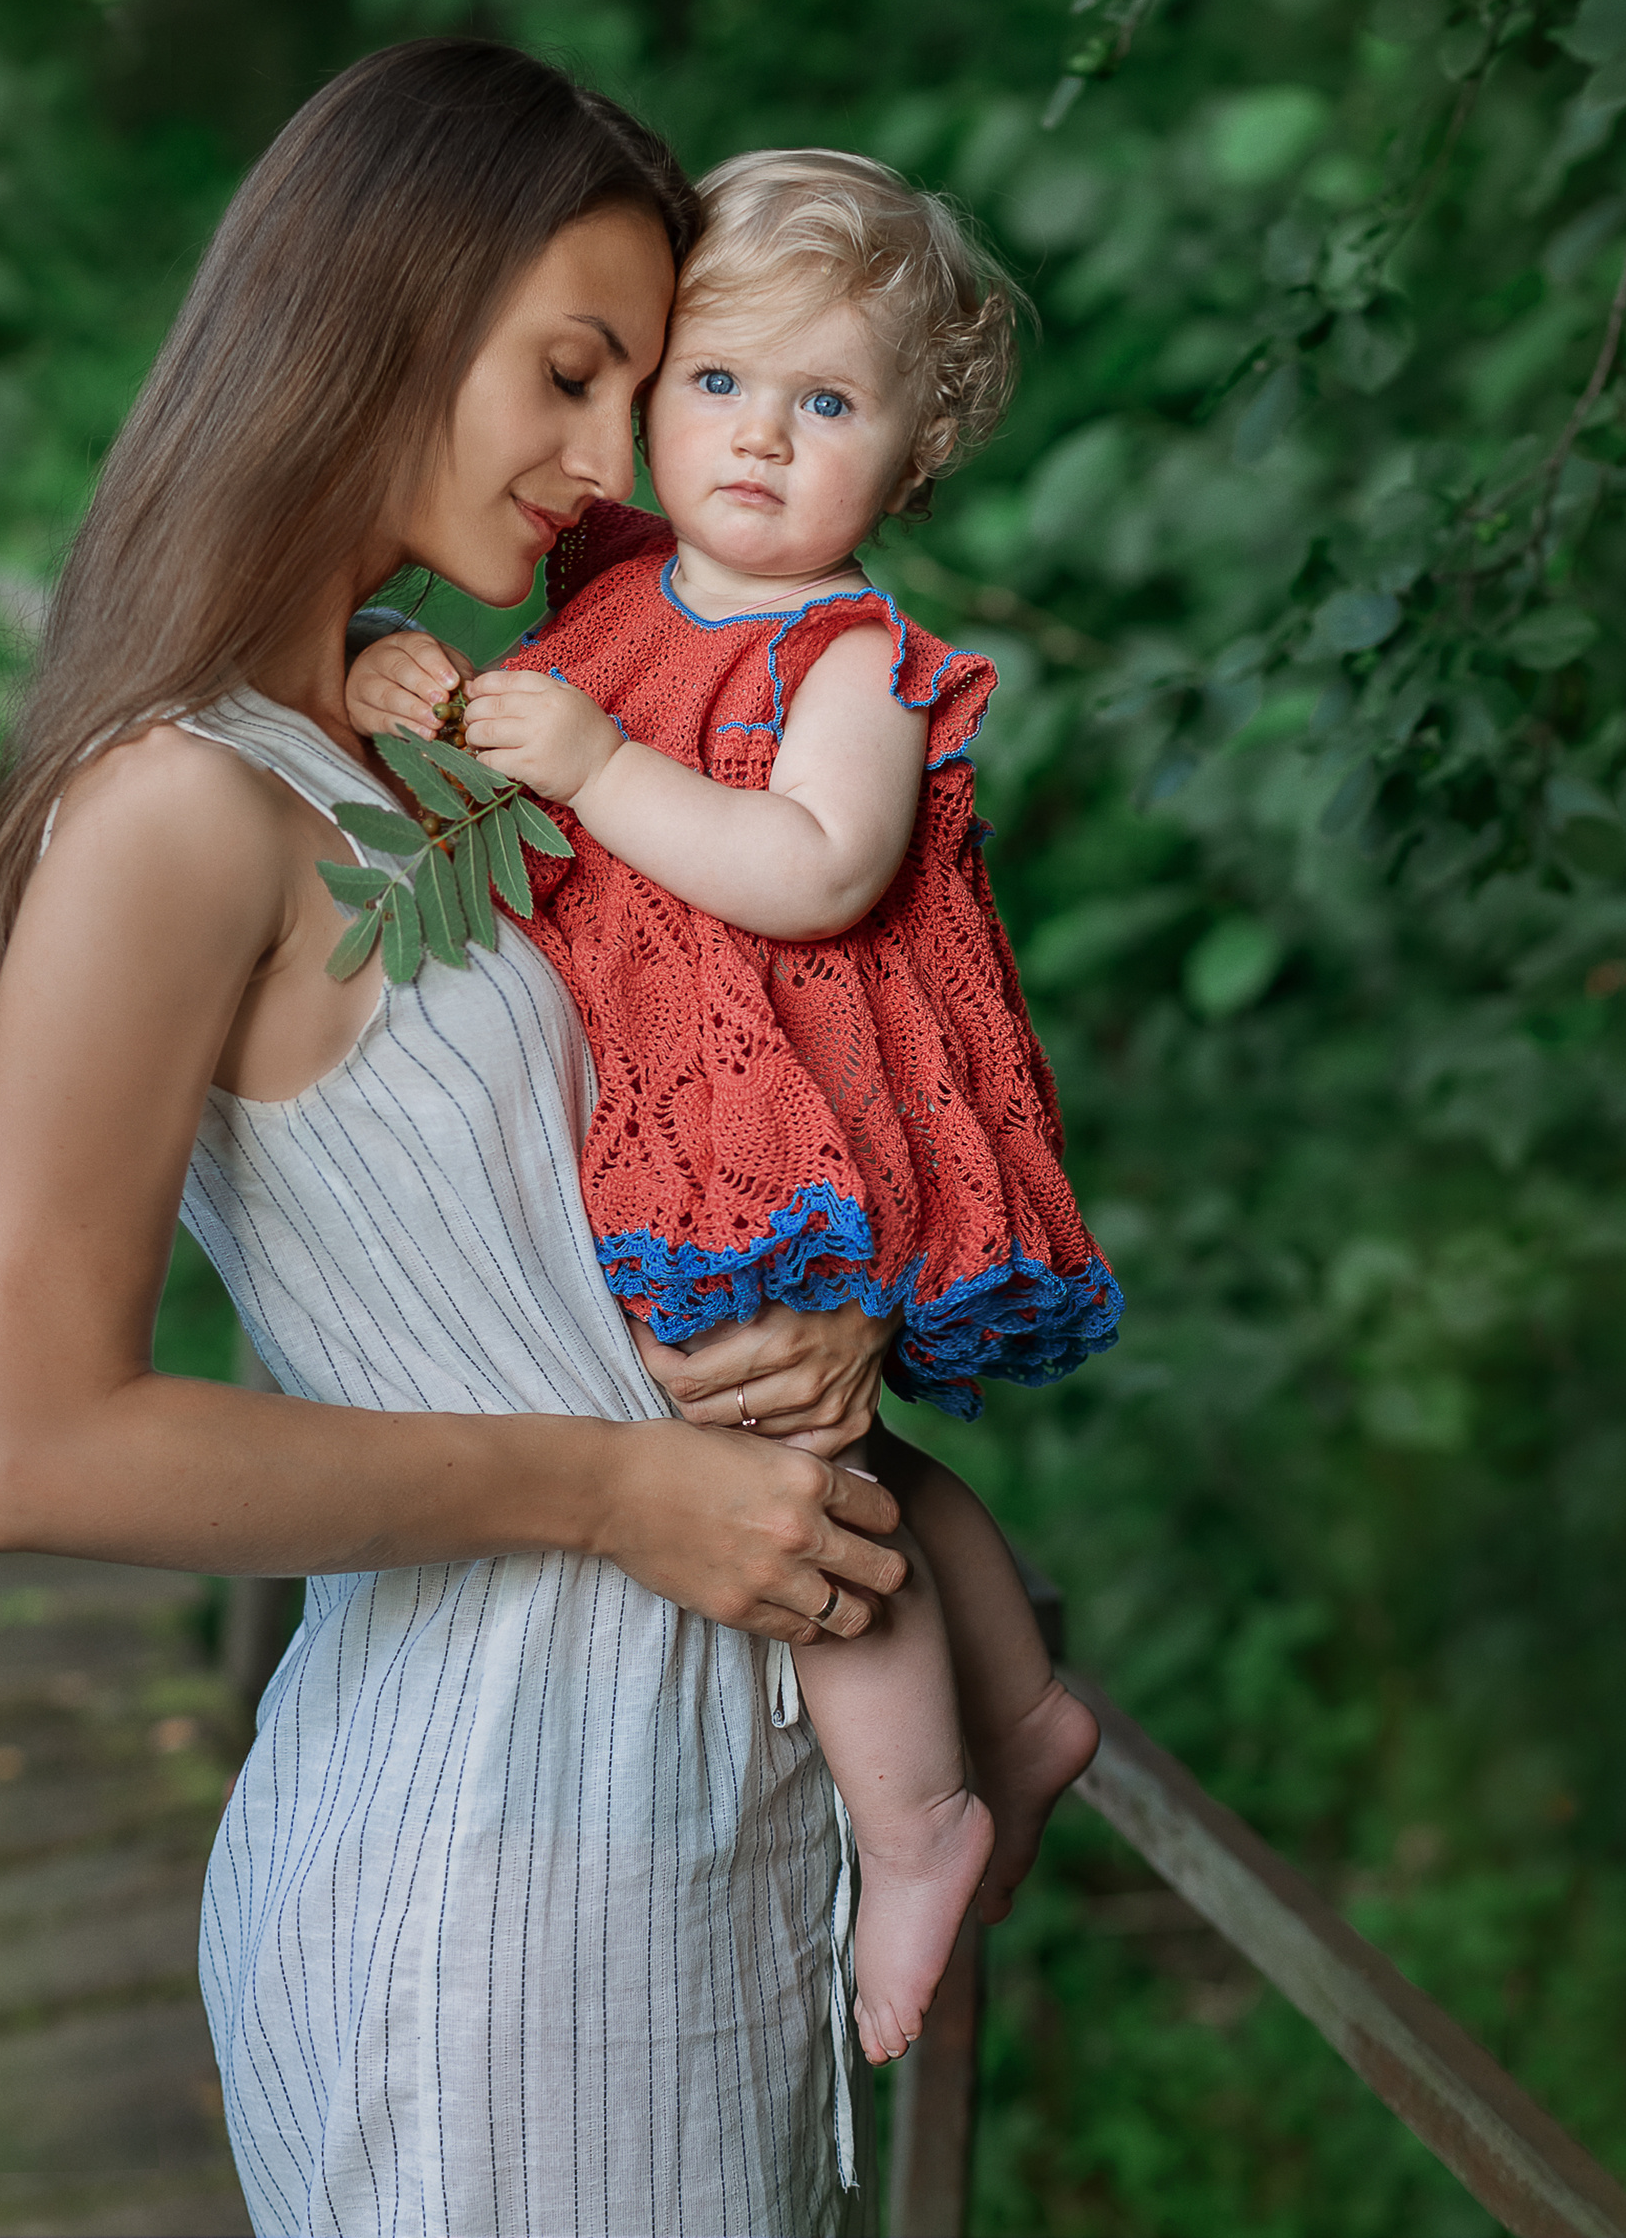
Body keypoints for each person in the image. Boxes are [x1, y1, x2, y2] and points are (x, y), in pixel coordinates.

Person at [0, 42, 924, 2238]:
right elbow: (22, 1444)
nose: (608, 464)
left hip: (688, 1807)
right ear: (375, 306)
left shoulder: (389, 749)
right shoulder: (176, 798)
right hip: (497, 1874)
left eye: (633, 387)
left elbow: (551, 1213)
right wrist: (614, 1478)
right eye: (570, 372)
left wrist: (786, 1314)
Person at [344, 149, 1117, 2064]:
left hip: (791, 1105)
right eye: (720, 383)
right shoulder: (604, 585)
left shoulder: (846, 652)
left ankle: (917, 1819)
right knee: (839, 1457)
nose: (762, 440)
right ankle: (1016, 1715)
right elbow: (495, 786)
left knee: (795, 1467)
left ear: (910, 457)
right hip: (679, 1087)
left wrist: (596, 761)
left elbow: (816, 872)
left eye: (827, 403)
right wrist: (403, 692)